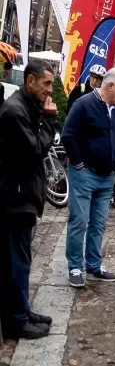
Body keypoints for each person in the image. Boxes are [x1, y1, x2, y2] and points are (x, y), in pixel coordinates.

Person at [0, 59, 56, 339]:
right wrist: (49, 121)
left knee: (20, 258)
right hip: (15, 196)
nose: (50, 91)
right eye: (46, 84)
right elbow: (34, 150)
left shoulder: (26, 106)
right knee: (17, 260)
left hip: (23, 193)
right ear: (30, 81)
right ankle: (16, 319)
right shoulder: (14, 110)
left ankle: (21, 308)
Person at [61, 68, 115, 288]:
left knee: (98, 223)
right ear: (110, 86)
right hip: (85, 173)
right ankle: (74, 266)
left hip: (106, 175)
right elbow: (68, 135)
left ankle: (93, 264)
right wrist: (78, 164)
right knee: (79, 221)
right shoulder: (83, 104)